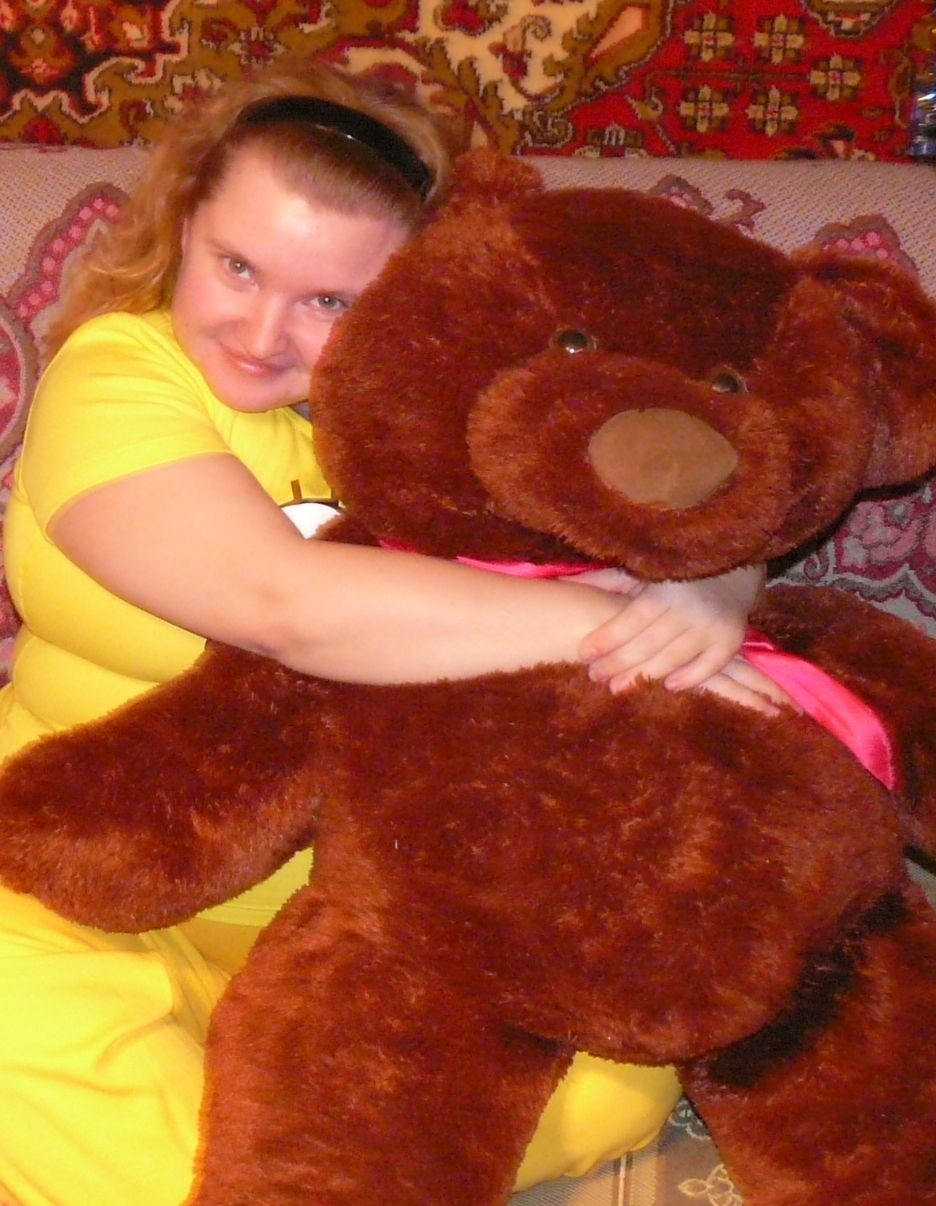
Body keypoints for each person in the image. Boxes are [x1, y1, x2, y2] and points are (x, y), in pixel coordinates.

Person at [0, 58, 785, 1205]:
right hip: (77, 899)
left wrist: (714, 590)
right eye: (236, 266)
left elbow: (689, 467)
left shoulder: (446, 406)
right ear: (181, 230)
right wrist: (608, 622)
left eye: (330, 301)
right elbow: (281, 603)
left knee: (624, 1079)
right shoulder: (121, 370)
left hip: (369, 934)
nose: (262, 330)